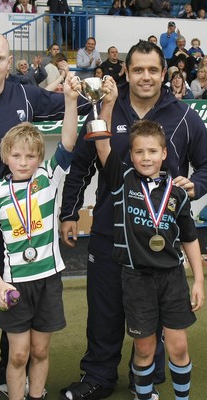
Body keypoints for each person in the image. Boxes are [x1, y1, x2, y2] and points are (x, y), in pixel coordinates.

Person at [0, 30, 90, 400]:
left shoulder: (25, 94)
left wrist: (81, 88)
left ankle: (14, 382)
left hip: (18, 238)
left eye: (0, 59)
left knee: (17, 322)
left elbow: (76, 112)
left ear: (10, 62)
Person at [59, 40, 207, 400]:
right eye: (138, 69)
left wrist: (195, 185)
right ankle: (98, 377)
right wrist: (68, 213)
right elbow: (81, 164)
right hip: (111, 235)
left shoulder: (186, 117)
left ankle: (148, 380)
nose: (145, 76)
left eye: (153, 70)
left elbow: (205, 167)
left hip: (161, 243)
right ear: (126, 71)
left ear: (166, 73)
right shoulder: (105, 105)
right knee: (104, 313)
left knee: (154, 319)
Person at [94, 85, 204, 400]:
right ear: (130, 155)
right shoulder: (122, 180)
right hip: (136, 278)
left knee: (178, 345)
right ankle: (144, 395)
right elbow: (102, 143)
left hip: (172, 278)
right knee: (144, 348)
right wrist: (110, 103)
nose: (146, 157)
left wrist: (198, 280)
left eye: (153, 151)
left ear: (164, 153)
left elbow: (190, 238)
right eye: (139, 151)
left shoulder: (178, 192)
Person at [0, 72, 80, 400]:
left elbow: (67, 142)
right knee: (18, 354)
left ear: (39, 157)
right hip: (14, 284)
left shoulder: (48, 178)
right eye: (17, 156)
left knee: (39, 352)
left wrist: (70, 101)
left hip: (48, 280)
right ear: (6, 156)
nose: (23, 162)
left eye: (30, 156)